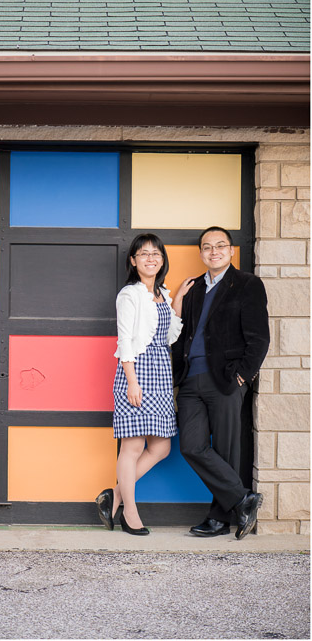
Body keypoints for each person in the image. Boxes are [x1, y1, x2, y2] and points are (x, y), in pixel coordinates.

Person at [170, 226, 269, 539]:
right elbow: (180, 334)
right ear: (201, 253)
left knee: (226, 450)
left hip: (225, 378)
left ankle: (218, 518)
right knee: (191, 446)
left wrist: (243, 375)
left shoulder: (247, 284)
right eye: (207, 247)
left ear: (231, 251)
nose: (214, 251)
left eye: (220, 245)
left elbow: (259, 337)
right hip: (190, 380)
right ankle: (243, 499)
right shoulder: (193, 287)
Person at [96, 234, 191, 535]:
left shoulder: (162, 293)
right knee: (133, 446)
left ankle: (113, 495)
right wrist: (132, 383)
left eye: (156, 254)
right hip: (136, 373)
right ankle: (129, 513)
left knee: (161, 447)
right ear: (133, 261)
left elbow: (169, 336)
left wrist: (176, 302)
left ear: (162, 259)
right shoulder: (130, 295)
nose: (151, 258)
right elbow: (125, 341)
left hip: (161, 376)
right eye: (143, 254)